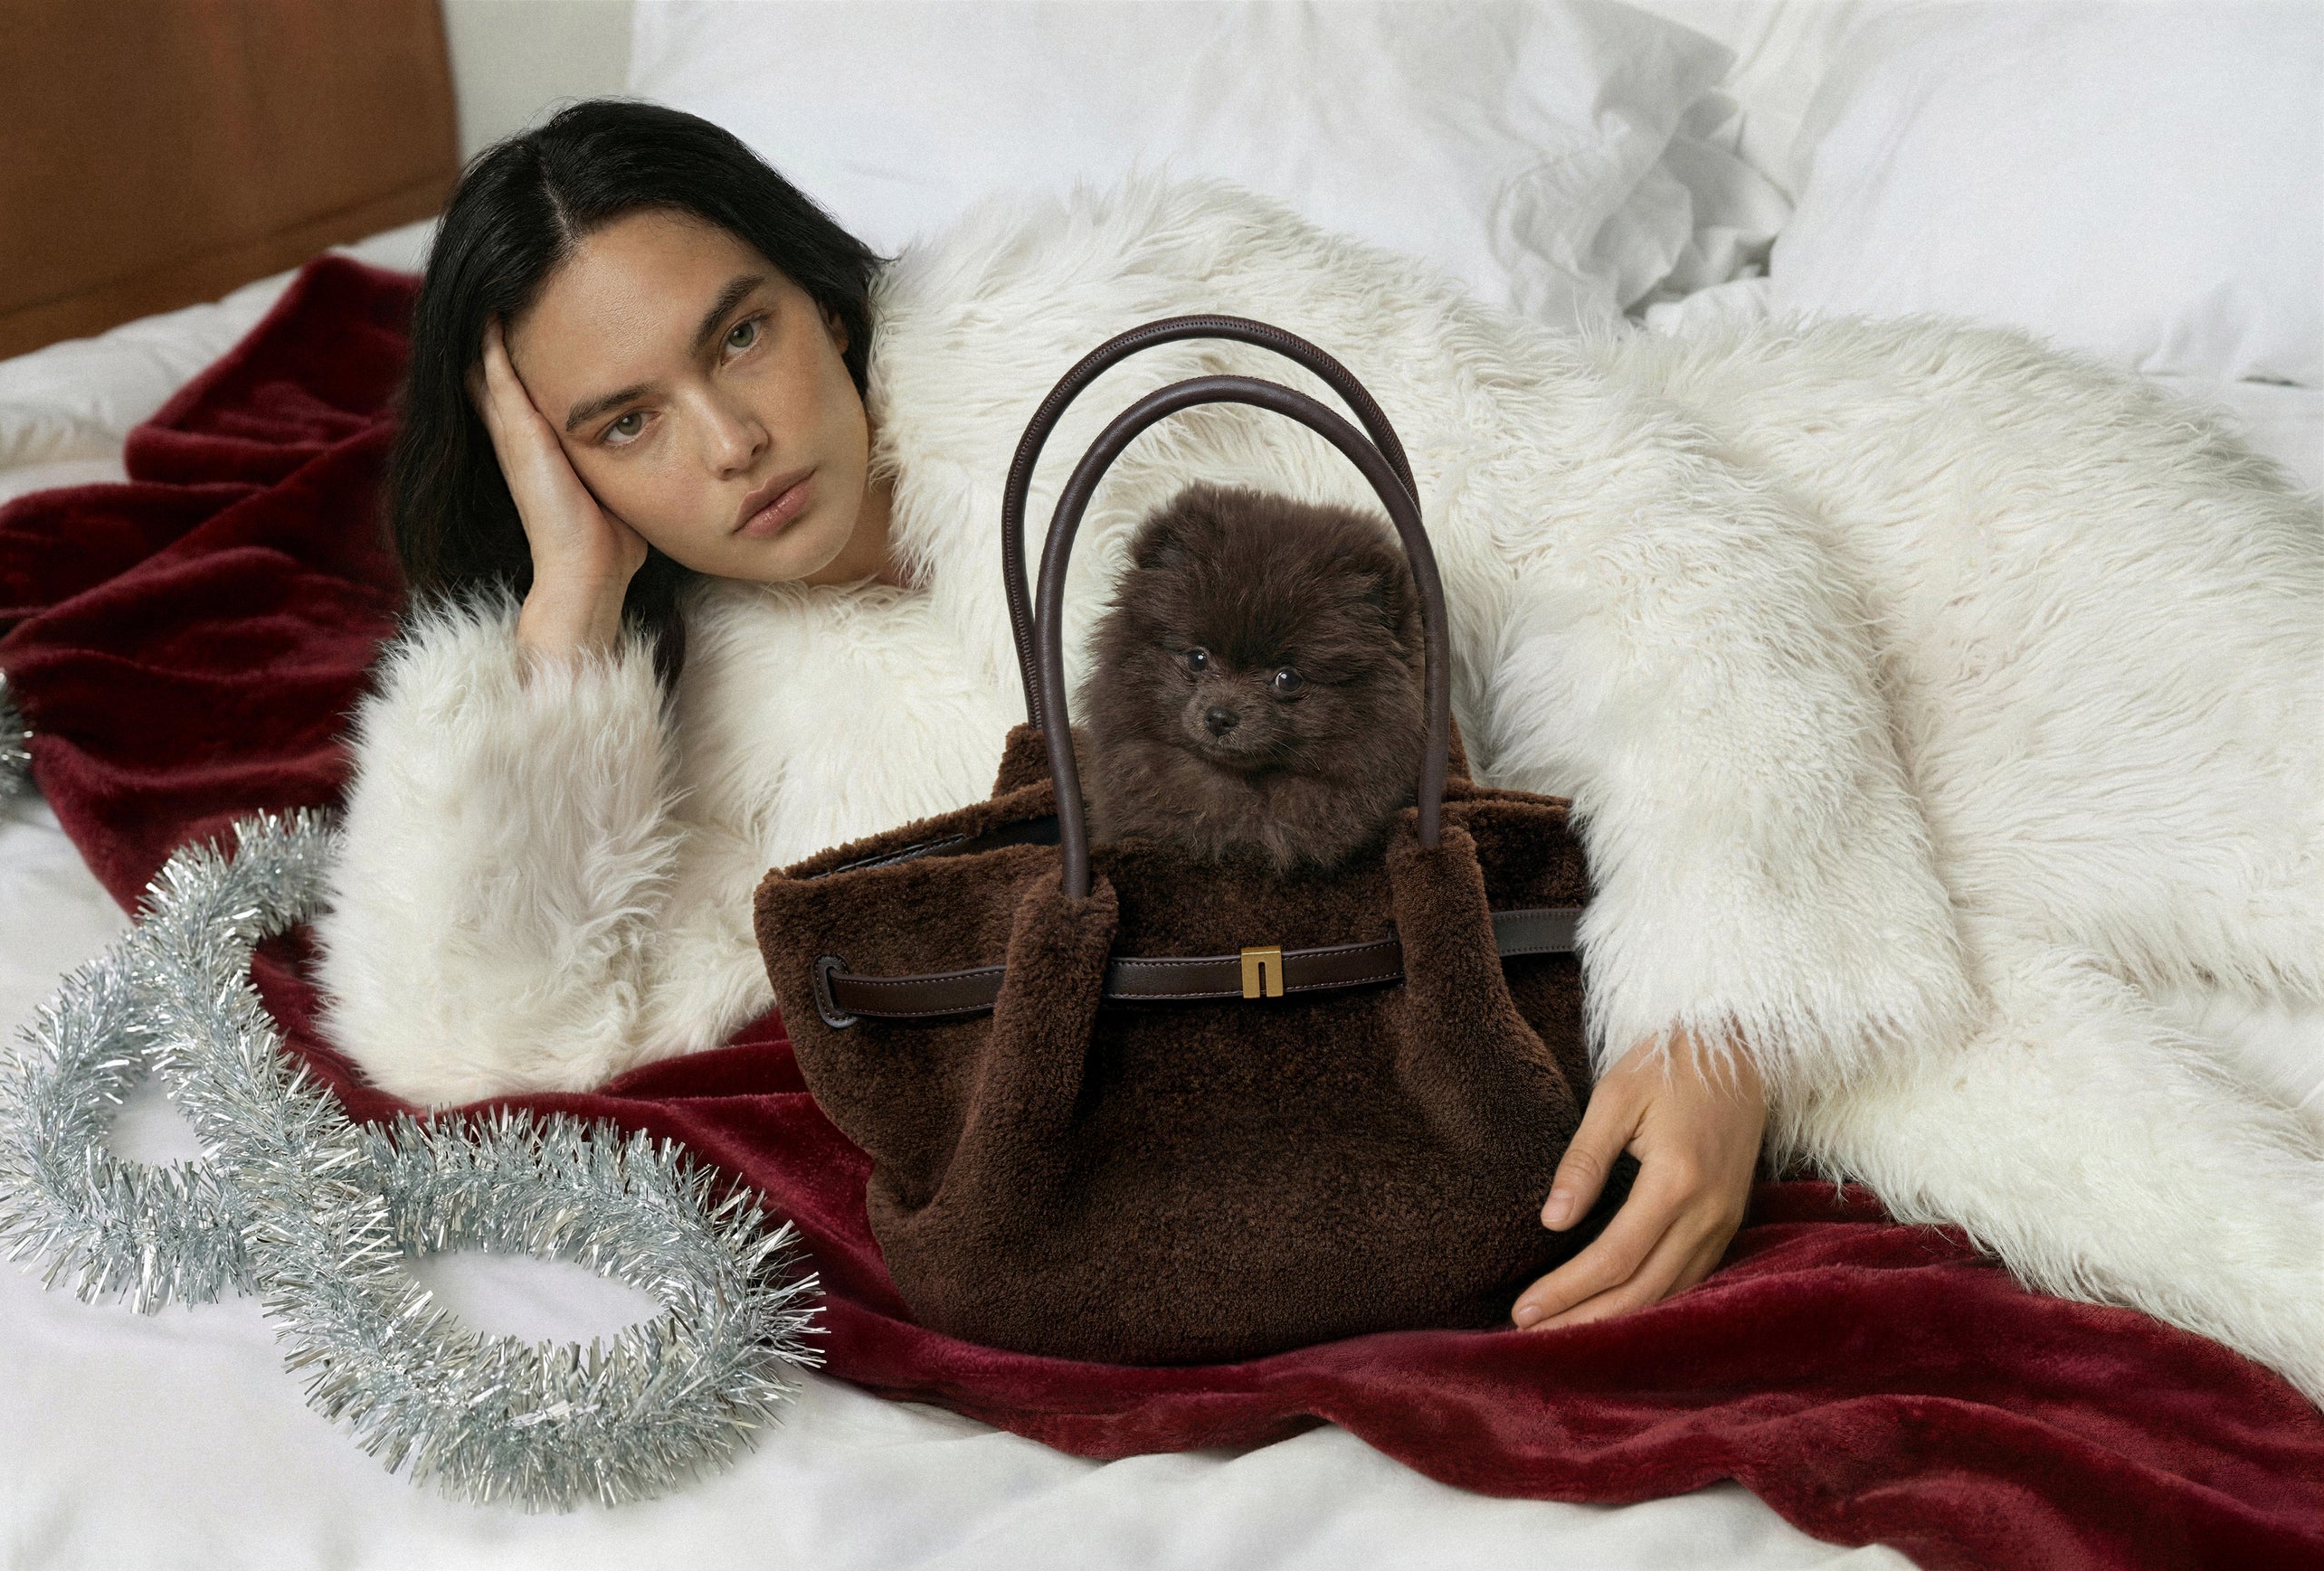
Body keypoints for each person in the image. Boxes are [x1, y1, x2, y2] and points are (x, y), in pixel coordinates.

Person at [318, 101, 2324, 1385]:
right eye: (623, 421)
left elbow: (1642, 523)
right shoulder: (722, 732)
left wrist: (1721, 1013)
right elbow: (486, 1035)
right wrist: (565, 613)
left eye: (736, 331)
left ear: (810, 283)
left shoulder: (1130, 326)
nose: (731, 437)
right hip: (1562, 875)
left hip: (1886, 567)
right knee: (2171, 1175)